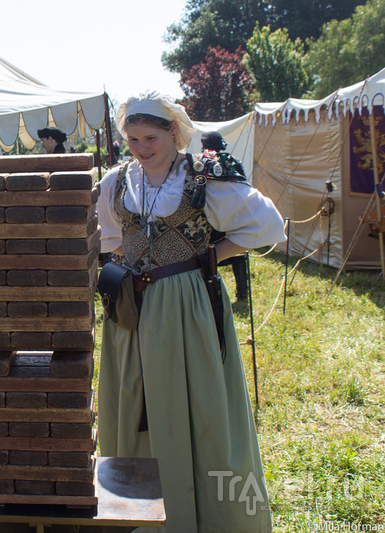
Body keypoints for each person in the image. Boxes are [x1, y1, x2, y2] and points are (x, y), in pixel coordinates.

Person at [95, 92, 286, 532]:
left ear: (174, 133)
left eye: (151, 137)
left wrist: (207, 256)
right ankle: (139, 510)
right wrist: (139, 263)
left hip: (187, 307)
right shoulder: (118, 181)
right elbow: (109, 236)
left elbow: (267, 226)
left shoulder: (203, 177)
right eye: (133, 138)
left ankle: (215, 515)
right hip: (132, 308)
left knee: (200, 407)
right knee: (135, 399)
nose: (142, 148)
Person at [201, 131, 250, 299]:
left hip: (210, 217)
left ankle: (211, 293)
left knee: (211, 255)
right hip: (231, 215)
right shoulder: (233, 162)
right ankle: (241, 291)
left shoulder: (201, 164)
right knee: (236, 253)